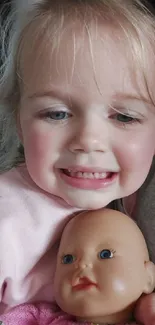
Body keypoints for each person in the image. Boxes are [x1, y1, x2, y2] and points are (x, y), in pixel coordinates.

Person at [0, 0, 155, 322]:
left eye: (125, 117)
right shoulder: (9, 217)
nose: (88, 140)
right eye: (57, 113)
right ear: (19, 122)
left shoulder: (142, 197)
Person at [0, 208, 155, 325]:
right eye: (68, 259)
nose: (81, 264)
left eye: (105, 254)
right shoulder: (37, 316)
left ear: (148, 277)